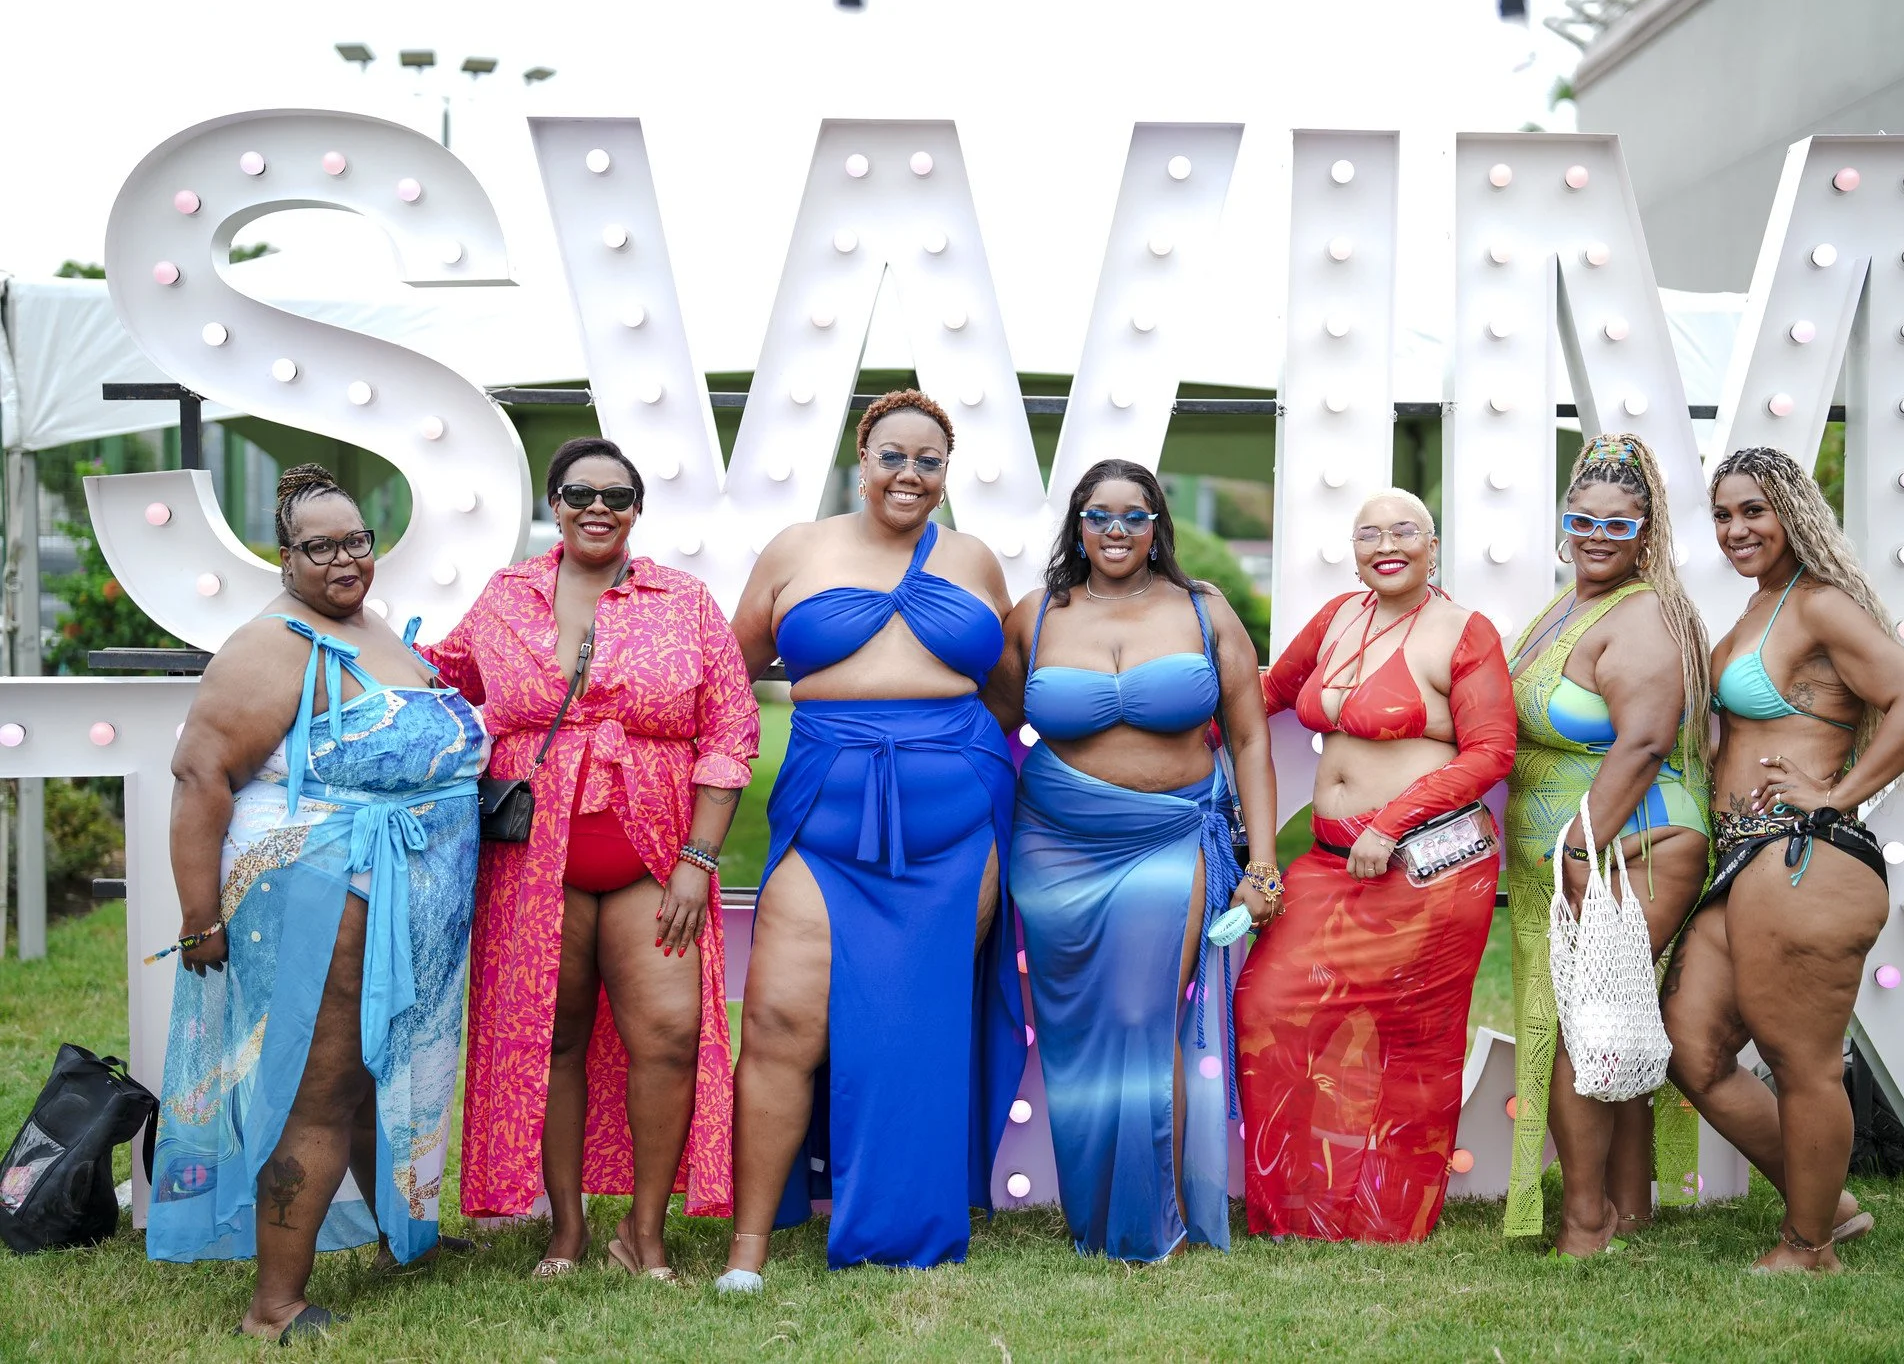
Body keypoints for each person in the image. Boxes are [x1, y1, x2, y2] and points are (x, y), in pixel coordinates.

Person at [153, 465, 489, 1341]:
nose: (345, 559)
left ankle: (402, 1240)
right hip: (326, 895)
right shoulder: (269, 646)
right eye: (322, 546)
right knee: (322, 1089)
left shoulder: (368, 625)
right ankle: (276, 1304)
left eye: (357, 541)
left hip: (398, 893)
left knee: (380, 1077)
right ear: (285, 556)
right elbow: (199, 776)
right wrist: (200, 919)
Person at [425, 438, 759, 1281]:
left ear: (637, 509)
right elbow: (440, 673)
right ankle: (567, 1228)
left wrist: (697, 859)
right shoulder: (507, 598)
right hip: (535, 862)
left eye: (617, 494)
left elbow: (730, 731)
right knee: (557, 1037)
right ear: (555, 502)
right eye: (579, 492)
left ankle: (644, 1232)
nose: (597, 506)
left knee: (670, 1037)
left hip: (653, 856)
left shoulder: (683, 600)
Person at [717, 390, 1026, 1288]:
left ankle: (901, 1228)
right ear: (862, 457)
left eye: (929, 461)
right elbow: (732, 674)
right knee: (780, 1017)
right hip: (827, 814)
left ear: (946, 473)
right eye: (893, 455)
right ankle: (749, 1248)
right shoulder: (797, 549)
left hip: (957, 823)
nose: (909, 473)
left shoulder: (974, 559)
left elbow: (1005, 689)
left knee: (914, 1024)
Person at [983, 459, 1279, 1263]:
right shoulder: (1035, 614)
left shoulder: (1202, 608)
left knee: (1145, 1019)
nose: (1116, 530)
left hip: (1168, 836)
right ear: (1077, 524)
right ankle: (1098, 1215)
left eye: (1135, 515)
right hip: (1054, 848)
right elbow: (989, 723)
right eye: (1099, 514)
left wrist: (1263, 865)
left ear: (1158, 526)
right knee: (1077, 1041)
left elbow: (1249, 737)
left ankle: (1162, 1218)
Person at [1661, 446, 1904, 1272]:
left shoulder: (1819, 604)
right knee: (1692, 1048)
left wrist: (1838, 792)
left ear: (1792, 511)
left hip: (1803, 857)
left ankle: (1808, 1244)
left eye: (1754, 509)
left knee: (1801, 1061)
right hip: (1741, 859)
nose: (1736, 528)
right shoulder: (1759, 607)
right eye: (1722, 514)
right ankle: (1830, 1204)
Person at [1235, 488, 1515, 1243]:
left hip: (1428, 868)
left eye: (1404, 531)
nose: (1385, 544)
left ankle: (1388, 1217)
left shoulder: (1464, 631)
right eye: (1369, 532)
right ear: (1353, 547)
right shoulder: (1336, 618)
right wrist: (1173, 727)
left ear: (1433, 544)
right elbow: (1266, 692)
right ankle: (1299, 1208)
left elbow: (1492, 750)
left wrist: (1391, 824)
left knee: (1413, 1040)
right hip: (1330, 863)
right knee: (1266, 1005)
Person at [1501, 434, 1714, 1255]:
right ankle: (1627, 1203)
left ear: (1648, 532)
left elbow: (1644, 740)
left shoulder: (1646, 615)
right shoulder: (1574, 600)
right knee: (1609, 1013)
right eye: (1581, 518)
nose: (1595, 535)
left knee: (1580, 1013)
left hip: (1632, 838)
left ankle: (1586, 1217)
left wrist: (1582, 847)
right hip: (1583, 845)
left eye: (1617, 526)